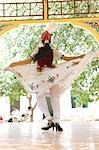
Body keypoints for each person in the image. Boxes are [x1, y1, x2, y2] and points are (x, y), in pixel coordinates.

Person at [6, 27, 85, 131]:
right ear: (50, 40)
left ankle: (49, 120)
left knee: (39, 96)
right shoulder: (53, 51)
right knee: (55, 96)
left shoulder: (38, 50)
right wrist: (80, 57)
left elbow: (28, 61)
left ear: (41, 40)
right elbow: (66, 59)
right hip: (53, 74)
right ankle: (56, 121)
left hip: (41, 75)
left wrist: (14, 64)